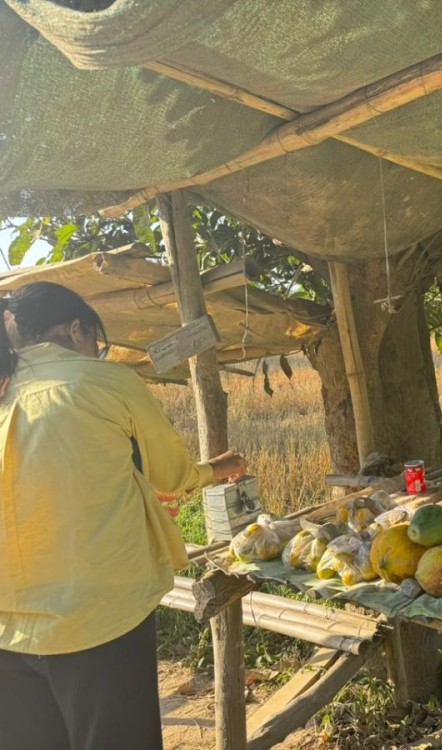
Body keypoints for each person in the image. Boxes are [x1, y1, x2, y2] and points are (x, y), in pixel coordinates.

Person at [0, 281, 246, 750]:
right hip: (96, 619)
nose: (96, 351)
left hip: (7, 629)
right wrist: (215, 468)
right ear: (76, 330)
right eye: (96, 340)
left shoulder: (4, 393)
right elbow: (171, 474)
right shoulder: (106, 380)